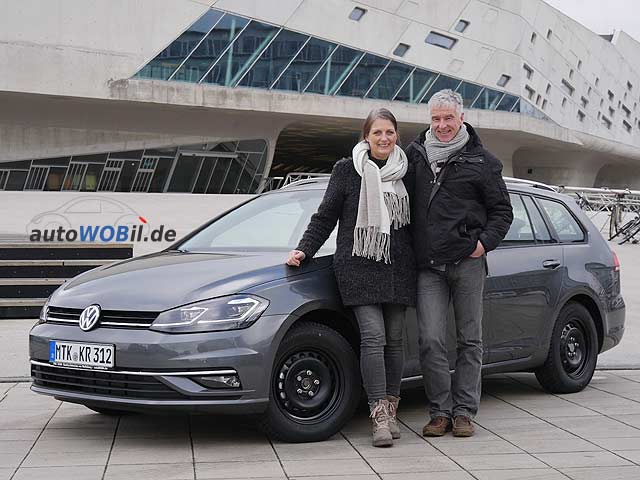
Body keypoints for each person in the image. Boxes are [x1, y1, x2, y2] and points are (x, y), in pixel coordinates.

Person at [286, 108, 416, 447]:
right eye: (377, 133)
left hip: (399, 267)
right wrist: (304, 250)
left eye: (389, 132)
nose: (384, 138)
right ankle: (378, 416)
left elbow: (421, 220)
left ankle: (392, 405)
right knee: (373, 337)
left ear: (396, 135)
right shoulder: (347, 170)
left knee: (395, 340)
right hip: (358, 265)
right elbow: (326, 215)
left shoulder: (407, 171)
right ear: (366, 137)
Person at [405, 89, 513, 437]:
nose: (441, 125)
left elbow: (502, 212)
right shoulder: (415, 156)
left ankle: (464, 411)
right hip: (429, 266)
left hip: (467, 262)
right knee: (430, 339)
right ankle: (440, 411)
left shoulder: (483, 161)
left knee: (470, 340)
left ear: (461, 118)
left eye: (448, 118)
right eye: (435, 118)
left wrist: (483, 244)